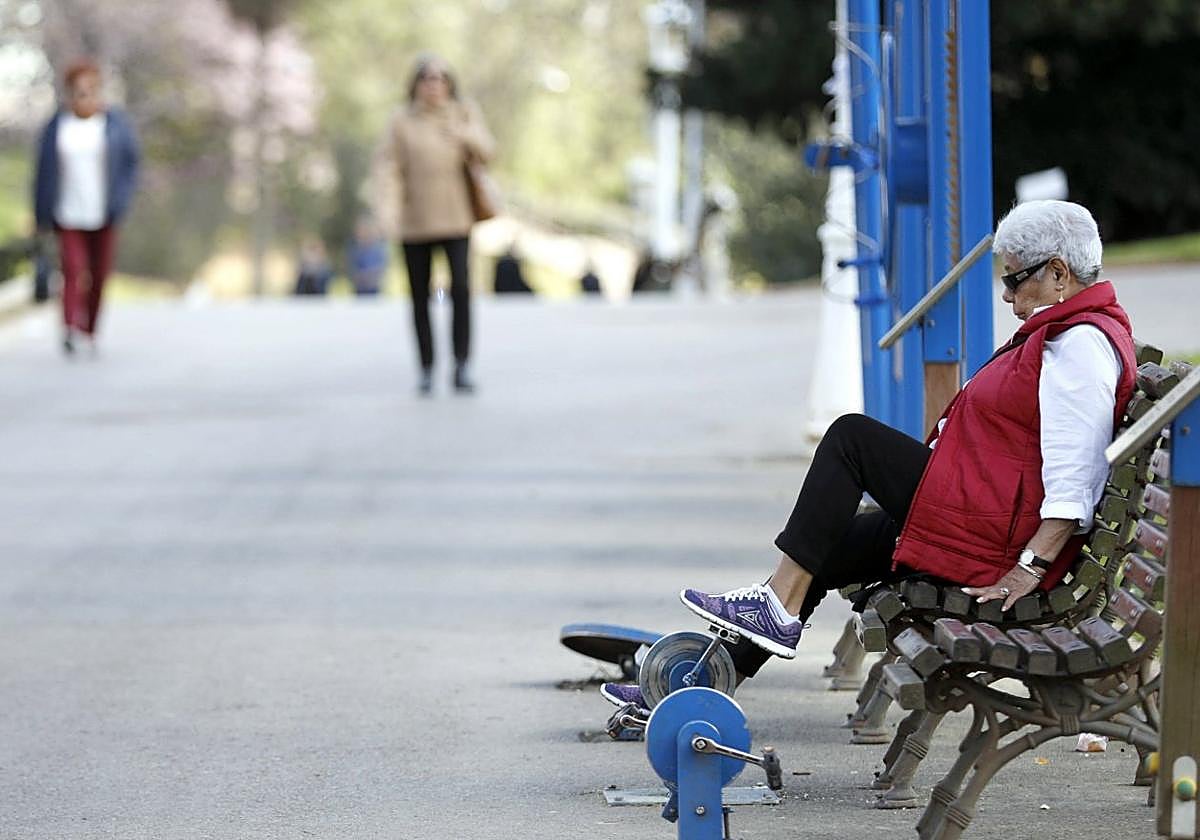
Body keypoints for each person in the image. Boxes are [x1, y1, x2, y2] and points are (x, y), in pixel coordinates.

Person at [601, 200, 1138, 714]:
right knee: (823, 548)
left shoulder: (1081, 348)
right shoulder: (1062, 336)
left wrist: (1029, 567)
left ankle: (771, 612)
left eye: (1015, 278)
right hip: (982, 512)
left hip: (997, 538)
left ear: (1060, 274)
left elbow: (1077, 477)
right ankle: (698, 689)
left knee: (851, 438)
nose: (1006, 293)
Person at [386, 53, 495, 395]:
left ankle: (462, 364)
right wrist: (387, 211)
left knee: (461, 291)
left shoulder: (463, 113)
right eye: (427, 78)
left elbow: (489, 153)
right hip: (415, 218)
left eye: (440, 79)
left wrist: (462, 132)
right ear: (415, 84)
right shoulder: (401, 121)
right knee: (419, 296)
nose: (433, 85)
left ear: (449, 84)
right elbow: (387, 168)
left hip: (456, 216)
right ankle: (426, 366)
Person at [33, 58, 140, 356]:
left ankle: (90, 329)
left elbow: (132, 165)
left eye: (90, 89)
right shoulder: (56, 127)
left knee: (99, 273)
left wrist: (123, 198)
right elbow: (42, 173)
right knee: (72, 269)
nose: (84, 95)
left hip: (104, 211)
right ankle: (69, 327)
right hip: (66, 211)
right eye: (78, 90)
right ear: (69, 92)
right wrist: (40, 214)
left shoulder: (114, 125)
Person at [348, 217, 388, 296]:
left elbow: (381, 270)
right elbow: (351, 271)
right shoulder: (354, 250)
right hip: (358, 292)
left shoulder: (378, 249)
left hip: (375, 292)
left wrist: (369, 277)